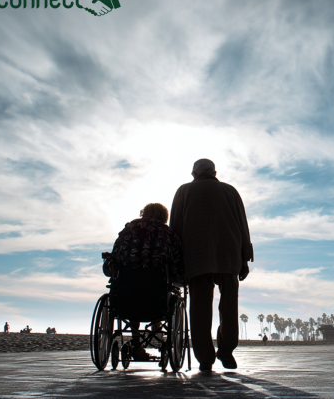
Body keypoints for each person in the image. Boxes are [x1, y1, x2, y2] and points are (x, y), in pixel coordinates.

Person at [170, 159, 253, 372]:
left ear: (193, 173)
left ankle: (205, 357)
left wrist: (176, 261)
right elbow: (242, 224)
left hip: (197, 256)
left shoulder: (184, 191)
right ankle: (226, 350)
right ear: (214, 172)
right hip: (229, 254)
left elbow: (176, 228)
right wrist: (245, 256)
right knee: (229, 305)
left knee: (199, 308)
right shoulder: (230, 191)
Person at [104, 202, 184, 362]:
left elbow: (111, 264)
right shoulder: (168, 233)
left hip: (126, 293)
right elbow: (177, 264)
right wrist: (180, 280)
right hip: (155, 294)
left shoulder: (126, 231)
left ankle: (135, 343)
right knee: (158, 289)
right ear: (164, 217)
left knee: (133, 291)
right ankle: (157, 331)